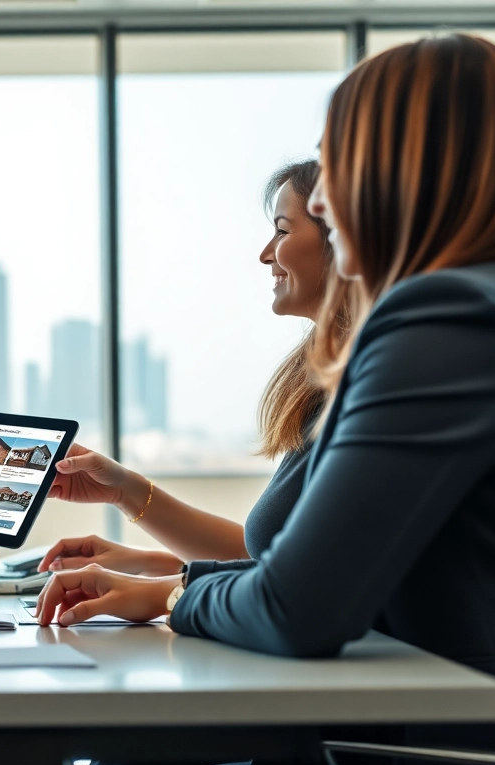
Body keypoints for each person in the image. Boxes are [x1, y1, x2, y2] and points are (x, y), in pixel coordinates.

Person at [37, 33, 495, 762]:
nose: (320, 195)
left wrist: (169, 597)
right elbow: (312, 575)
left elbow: (299, 608)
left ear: (401, 174)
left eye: (336, 164)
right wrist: (177, 580)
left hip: (428, 749)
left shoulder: (453, 320)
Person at [36, 159, 353, 578]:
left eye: (282, 229)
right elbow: (276, 557)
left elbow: (309, 585)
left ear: (344, 240)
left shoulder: (365, 387)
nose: (265, 254)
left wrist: (168, 591)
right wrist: (126, 499)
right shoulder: (328, 381)